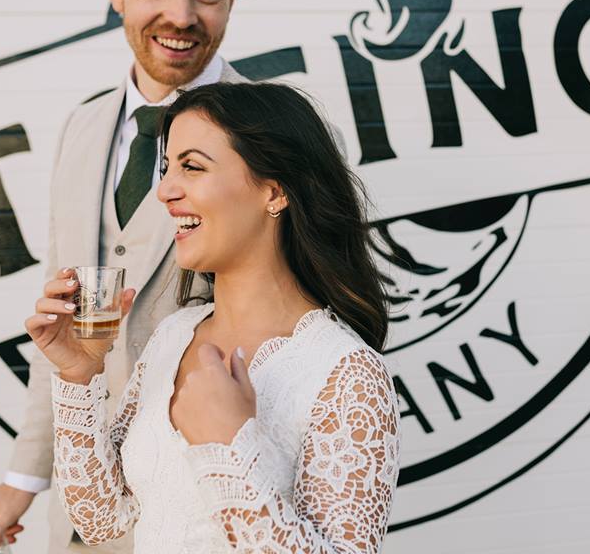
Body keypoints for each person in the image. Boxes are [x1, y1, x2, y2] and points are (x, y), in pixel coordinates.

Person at [0, 0, 252, 552]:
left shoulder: (284, 137)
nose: (181, 15)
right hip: (85, 520)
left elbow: (318, 328)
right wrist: (22, 478)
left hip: (208, 514)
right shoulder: (82, 129)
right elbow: (63, 318)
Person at [25, 81, 401, 553]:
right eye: (166, 168)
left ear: (275, 191)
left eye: (192, 167)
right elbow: (103, 518)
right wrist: (79, 374)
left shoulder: (345, 373)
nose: (164, 190)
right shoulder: (174, 336)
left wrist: (228, 447)